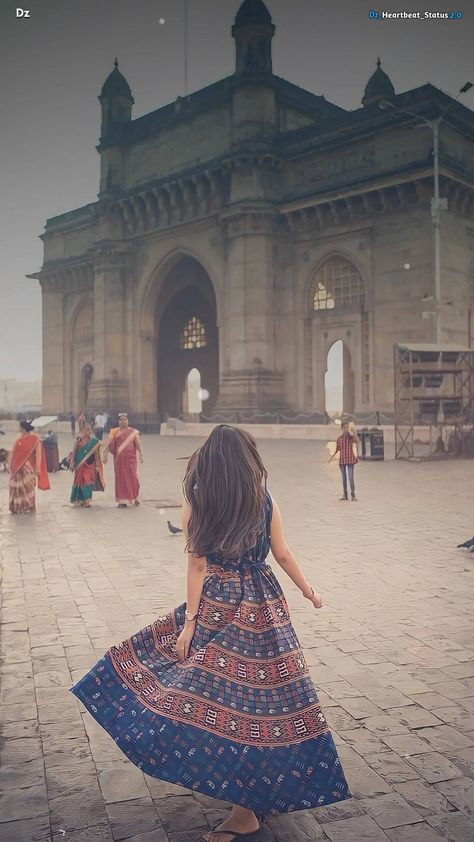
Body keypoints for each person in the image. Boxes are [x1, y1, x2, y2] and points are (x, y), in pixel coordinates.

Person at [71, 425, 350, 840]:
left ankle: (243, 811)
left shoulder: (198, 504)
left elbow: (198, 567)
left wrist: (189, 625)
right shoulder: (265, 501)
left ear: (211, 463)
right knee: (262, 702)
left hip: (218, 604)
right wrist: (309, 591)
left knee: (206, 692)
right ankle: (250, 798)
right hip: (264, 607)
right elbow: (283, 553)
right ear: (247, 462)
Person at [9, 420, 50, 514]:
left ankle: (28, 506)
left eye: (19, 427)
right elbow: (14, 454)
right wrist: (11, 466)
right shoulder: (18, 440)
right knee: (16, 488)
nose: (18, 429)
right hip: (17, 468)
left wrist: (38, 467)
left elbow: (38, 454)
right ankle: (17, 506)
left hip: (28, 468)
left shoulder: (35, 439)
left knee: (28, 488)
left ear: (23, 428)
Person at [103, 413, 143, 508]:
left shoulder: (133, 432)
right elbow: (110, 445)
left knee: (133, 478)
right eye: (121, 420)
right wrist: (105, 455)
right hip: (119, 460)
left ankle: (134, 497)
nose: (123, 421)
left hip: (130, 460)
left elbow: (137, 443)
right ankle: (122, 501)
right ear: (118, 422)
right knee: (120, 479)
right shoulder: (114, 432)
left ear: (128, 421)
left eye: (125, 419)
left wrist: (141, 454)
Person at [69, 424, 105, 508]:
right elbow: (74, 452)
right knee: (79, 481)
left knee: (88, 481)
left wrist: (97, 465)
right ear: (82, 431)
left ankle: (87, 501)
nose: (87, 432)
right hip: (80, 465)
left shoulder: (94, 441)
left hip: (90, 465)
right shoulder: (79, 440)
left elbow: (96, 454)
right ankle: (79, 499)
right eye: (85, 430)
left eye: (89, 430)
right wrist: (72, 462)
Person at [330, 420, 359, 501]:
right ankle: (345, 495)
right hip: (342, 461)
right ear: (342, 428)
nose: (346, 429)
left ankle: (353, 495)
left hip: (350, 460)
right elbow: (337, 449)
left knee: (350, 477)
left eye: (347, 427)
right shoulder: (339, 439)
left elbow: (357, 442)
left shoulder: (351, 437)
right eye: (344, 427)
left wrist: (355, 433)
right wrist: (332, 456)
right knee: (344, 479)